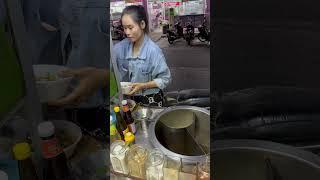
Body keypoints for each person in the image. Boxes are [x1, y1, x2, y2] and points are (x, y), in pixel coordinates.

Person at [113, 5, 171, 107]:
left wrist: (143, 85)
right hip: (127, 99)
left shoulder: (153, 51)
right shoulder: (120, 48)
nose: (127, 32)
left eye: (130, 28)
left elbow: (165, 79)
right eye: (124, 28)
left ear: (142, 24)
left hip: (150, 98)